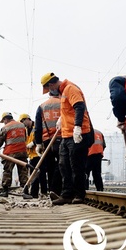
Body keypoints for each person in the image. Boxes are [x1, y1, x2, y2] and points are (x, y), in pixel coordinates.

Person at [41, 72, 94, 205]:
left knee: (76, 165)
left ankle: (79, 195)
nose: (50, 92)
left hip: (77, 134)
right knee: (63, 165)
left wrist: (77, 127)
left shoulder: (70, 88)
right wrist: (61, 119)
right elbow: (69, 110)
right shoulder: (63, 92)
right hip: (66, 135)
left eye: (49, 89)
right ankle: (67, 194)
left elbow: (79, 107)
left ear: (52, 84)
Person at [0, 112, 28, 197]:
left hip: (10, 153)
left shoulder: (5, 127)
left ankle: (5, 191)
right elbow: (24, 138)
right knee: (23, 171)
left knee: (7, 171)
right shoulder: (22, 125)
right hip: (22, 152)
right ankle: (25, 192)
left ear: (5, 119)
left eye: (3, 121)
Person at [34, 90, 63, 197]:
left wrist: (38, 143)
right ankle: (58, 190)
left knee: (50, 167)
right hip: (62, 138)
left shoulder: (41, 106)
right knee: (61, 164)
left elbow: (38, 128)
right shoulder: (63, 103)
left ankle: (51, 189)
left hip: (47, 141)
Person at [20, 113, 46, 198]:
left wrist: (34, 143)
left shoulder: (37, 126)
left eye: (23, 120)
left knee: (41, 174)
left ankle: (43, 192)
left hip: (39, 154)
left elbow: (41, 135)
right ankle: (34, 194)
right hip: (31, 155)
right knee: (33, 174)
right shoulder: (25, 129)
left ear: (28, 119)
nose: (23, 123)